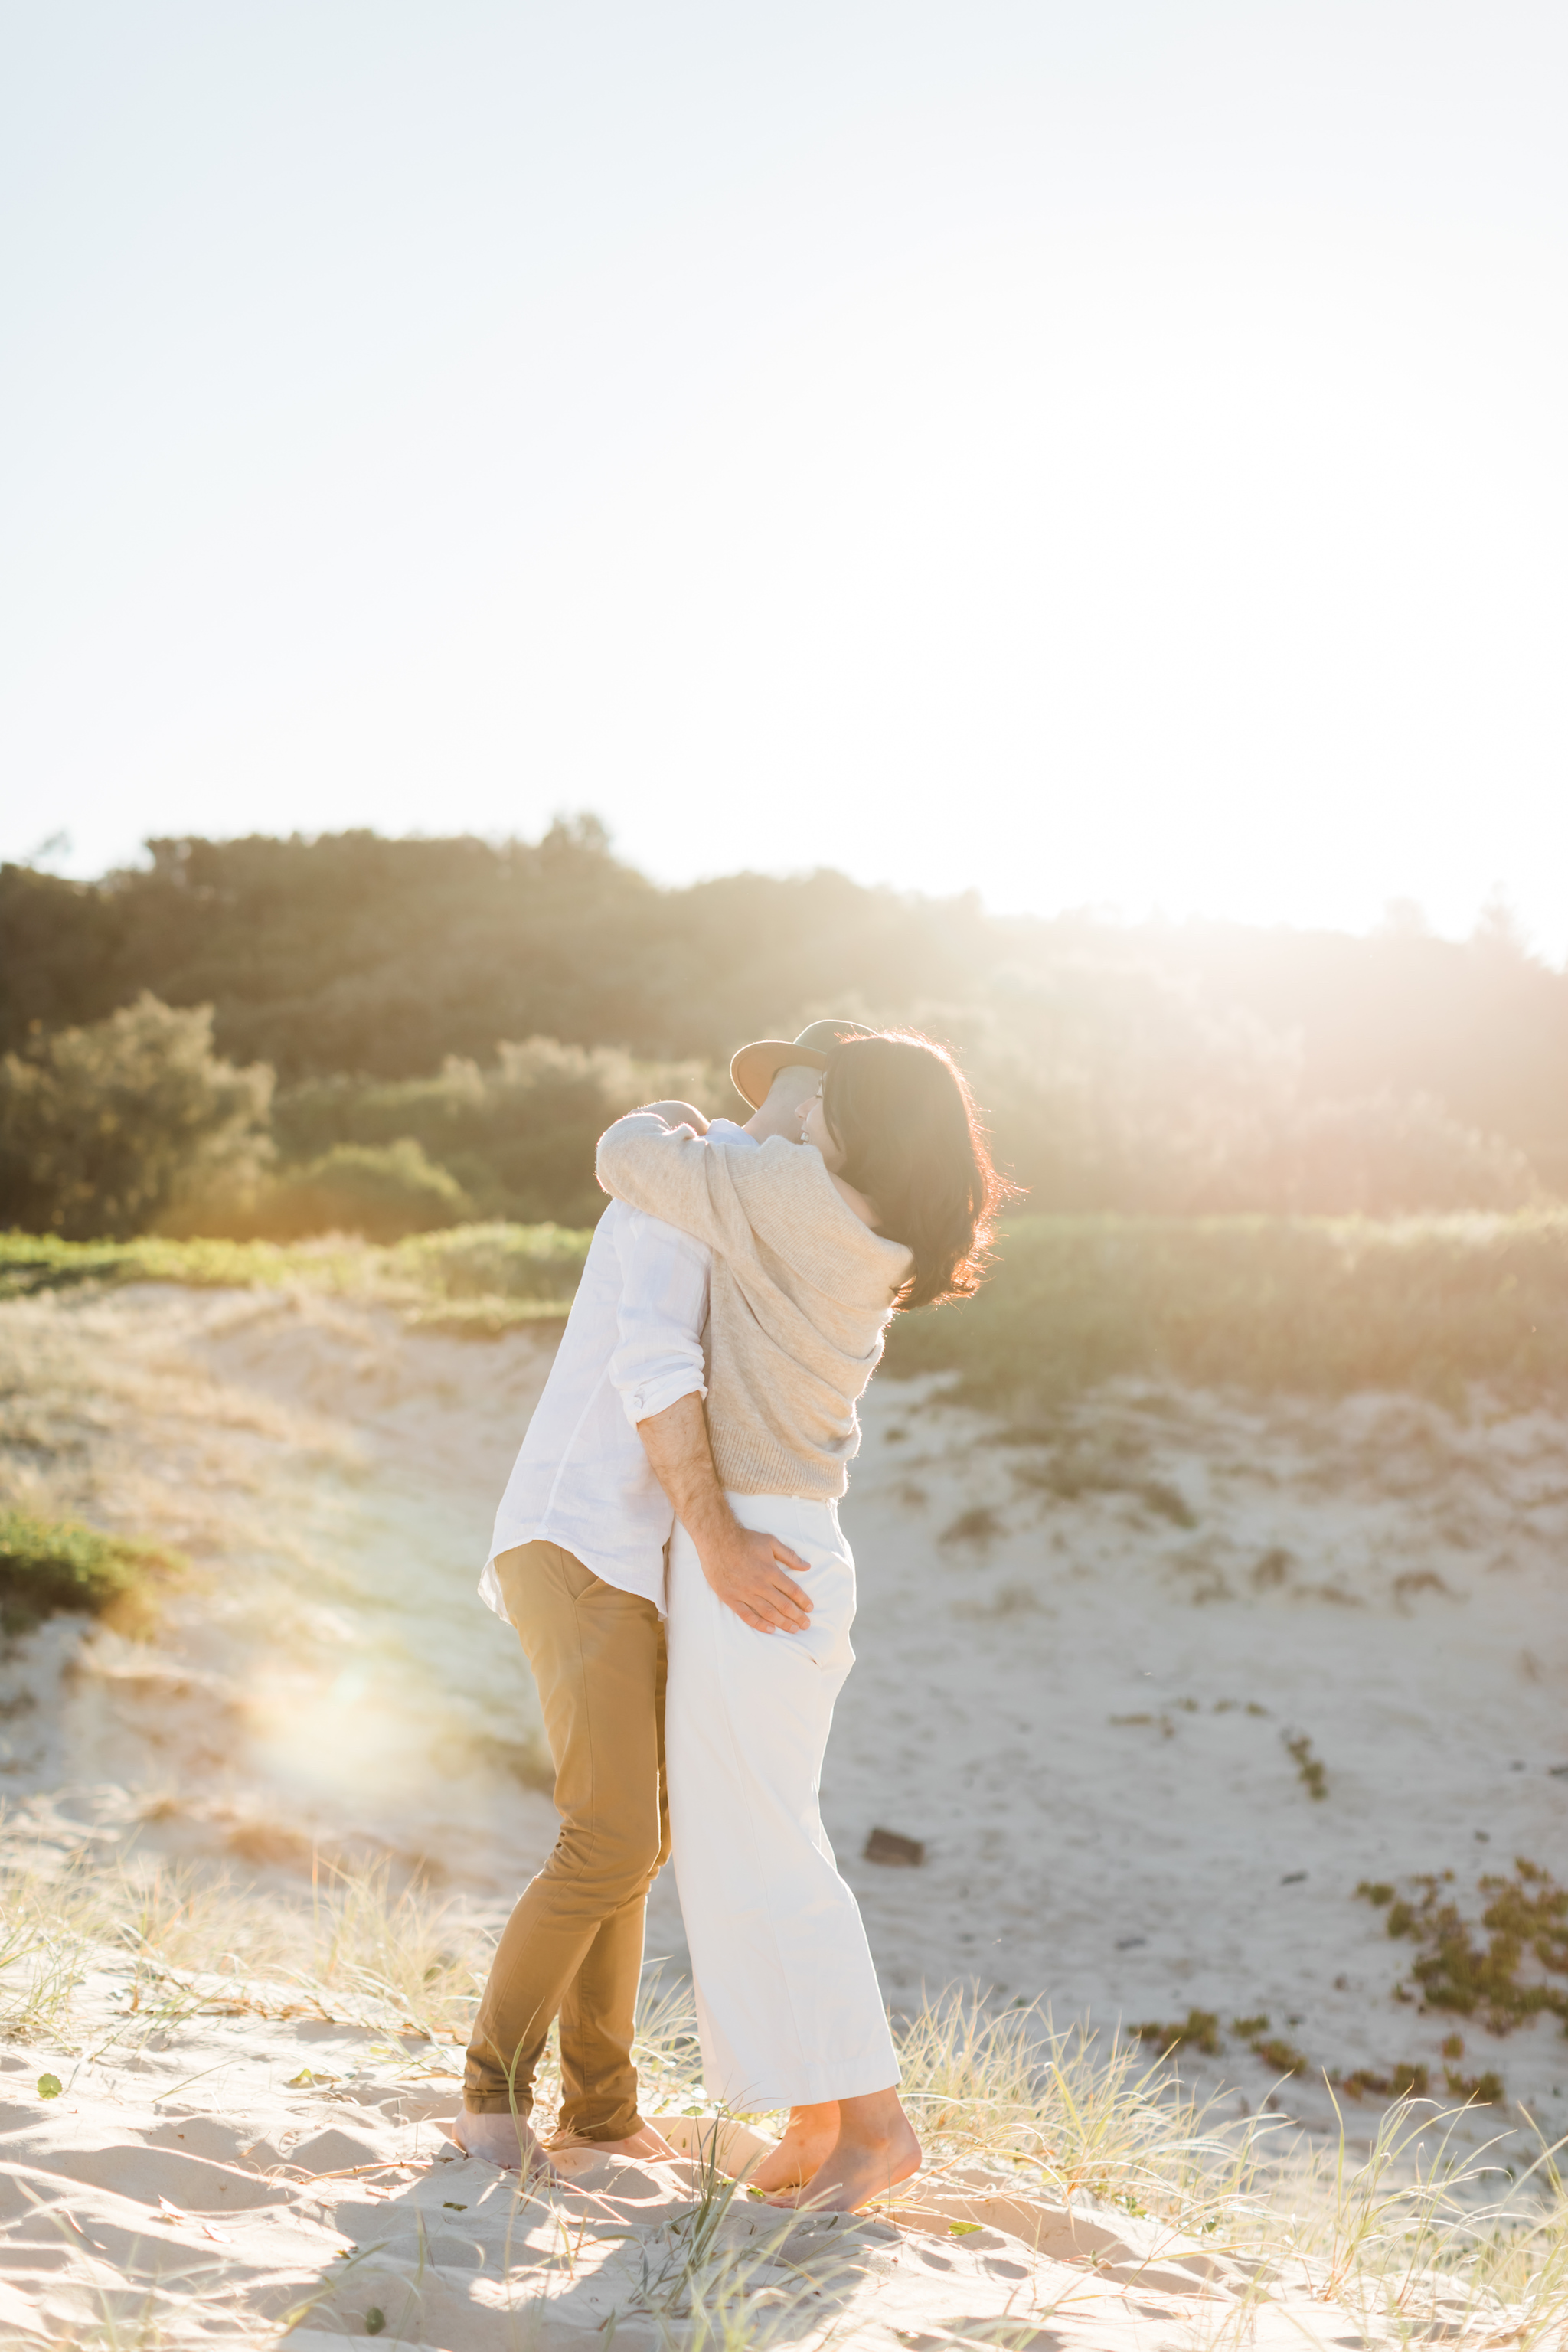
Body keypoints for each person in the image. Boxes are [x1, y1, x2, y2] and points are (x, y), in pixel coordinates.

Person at [595, 1026, 1009, 2212]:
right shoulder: (862, 1223)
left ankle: (875, 2128)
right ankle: (817, 2117)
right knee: (750, 1842)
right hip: (791, 1544)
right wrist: (788, 1096)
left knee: (767, 1848)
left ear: (846, 1112)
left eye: (813, 1091)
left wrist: (692, 1117)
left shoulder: (790, 1193)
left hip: (759, 1551)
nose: (792, 1105)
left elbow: (624, 1153)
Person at [451, 1030, 866, 2172]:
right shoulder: (688, 1185)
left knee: (636, 1838)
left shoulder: (708, 1183)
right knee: (615, 1833)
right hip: (579, 1534)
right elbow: (653, 1369)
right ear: (816, 1100)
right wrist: (721, 1539)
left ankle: (599, 2107)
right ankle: (492, 2090)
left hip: (622, 1554)